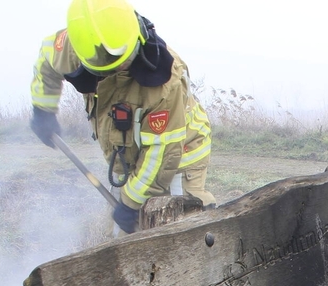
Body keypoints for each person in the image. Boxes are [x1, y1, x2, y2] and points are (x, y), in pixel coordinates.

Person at [30, 0, 216, 235]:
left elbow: (161, 156)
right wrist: (43, 109)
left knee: (178, 232)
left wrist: (130, 203)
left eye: (125, 60)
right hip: (126, 152)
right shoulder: (73, 46)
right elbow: (46, 60)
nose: (123, 66)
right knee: (124, 239)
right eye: (110, 67)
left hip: (179, 156)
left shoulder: (164, 82)